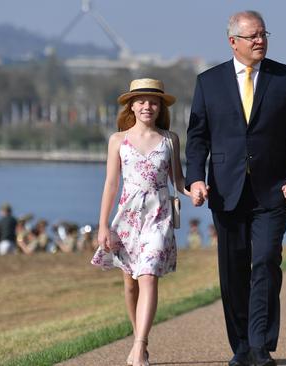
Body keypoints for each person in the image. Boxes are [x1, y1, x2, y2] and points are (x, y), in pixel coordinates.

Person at [185, 10, 286, 366]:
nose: (260, 41)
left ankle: (261, 344)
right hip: (226, 190)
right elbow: (197, 138)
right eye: (252, 36)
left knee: (267, 260)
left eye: (263, 34)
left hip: (273, 190)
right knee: (233, 269)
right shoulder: (208, 82)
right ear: (233, 42)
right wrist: (195, 178)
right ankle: (241, 346)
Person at [91, 78, 189, 366]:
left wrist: (195, 189)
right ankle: (139, 342)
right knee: (131, 284)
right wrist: (103, 225)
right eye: (142, 101)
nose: (148, 106)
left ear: (160, 107)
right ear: (131, 105)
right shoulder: (117, 140)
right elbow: (110, 184)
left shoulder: (170, 139)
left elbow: (178, 180)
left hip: (159, 216)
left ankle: (139, 345)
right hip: (127, 218)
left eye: (153, 101)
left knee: (148, 276)